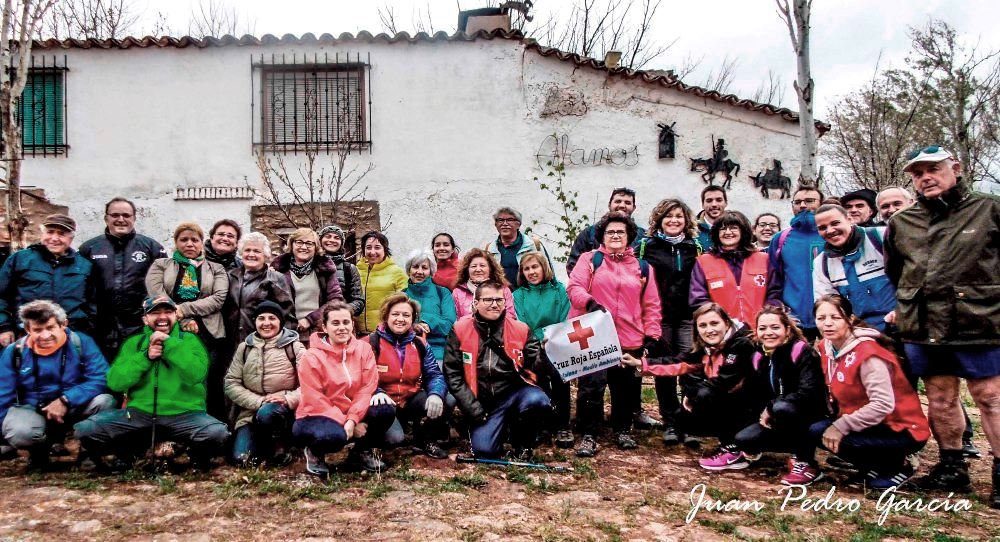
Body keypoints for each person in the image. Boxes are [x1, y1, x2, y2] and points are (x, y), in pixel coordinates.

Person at [884, 146, 1000, 507]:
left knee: (990, 397)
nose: (925, 178)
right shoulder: (902, 222)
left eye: (933, 169)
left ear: (956, 168)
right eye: (918, 174)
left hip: (980, 319)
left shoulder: (989, 208)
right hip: (924, 322)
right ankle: (952, 467)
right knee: (940, 397)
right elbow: (896, 272)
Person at [74, 296, 230, 470]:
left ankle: (191, 454)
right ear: (145, 319)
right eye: (155, 313)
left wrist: (168, 344)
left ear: (176, 315)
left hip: (185, 414)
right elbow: (115, 382)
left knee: (217, 433)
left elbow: (196, 374)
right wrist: (145, 357)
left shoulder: (190, 340)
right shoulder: (134, 343)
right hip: (139, 415)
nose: (162, 317)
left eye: (168, 312)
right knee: (85, 430)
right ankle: (134, 452)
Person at [809, 295, 930, 489]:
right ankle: (875, 466)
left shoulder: (868, 353)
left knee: (832, 433)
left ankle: (899, 466)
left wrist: (841, 426)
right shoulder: (826, 347)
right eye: (821, 318)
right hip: (870, 424)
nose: (828, 323)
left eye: (836, 317)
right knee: (816, 430)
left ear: (850, 319)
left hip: (901, 428)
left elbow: (882, 405)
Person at [567, 212, 661, 456]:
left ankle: (623, 429)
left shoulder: (642, 267)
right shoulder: (590, 259)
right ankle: (589, 434)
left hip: (630, 337)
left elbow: (651, 304)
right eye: (610, 232)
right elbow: (574, 287)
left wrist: (652, 335)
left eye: (621, 231)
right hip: (595, 336)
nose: (616, 235)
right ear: (602, 236)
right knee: (591, 388)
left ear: (629, 236)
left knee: (626, 388)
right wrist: (589, 302)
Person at [621, 303, 756, 470]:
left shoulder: (741, 345)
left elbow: (724, 383)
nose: (709, 330)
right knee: (682, 419)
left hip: (758, 411)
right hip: (738, 407)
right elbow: (677, 362)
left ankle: (736, 450)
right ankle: (742, 444)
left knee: (707, 395)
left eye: (714, 323)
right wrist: (639, 363)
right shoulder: (707, 348)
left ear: (727, 323)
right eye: (703, 325)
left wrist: (692, 394)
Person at [0, 300, 114, 471]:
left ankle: (89, 451)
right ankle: (39, 452)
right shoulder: (15, 351)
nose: (45, 335)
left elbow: (101, 378)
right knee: (20, 431)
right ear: (27, 329)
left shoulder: (80, 342)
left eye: (50, 327)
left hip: (74, 406)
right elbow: (2, 393)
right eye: (38, 330)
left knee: (104, 401)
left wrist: (66, 400)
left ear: (63, 324)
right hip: (34, 409)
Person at [444, 281, 551, 459]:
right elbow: (453, 374)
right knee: (484, 451)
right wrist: (474, 409)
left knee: (537, 400)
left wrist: (544, 356)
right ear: (475, 303)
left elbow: (535, 368)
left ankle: (523, 442)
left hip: (514, 394)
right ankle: (493, 429)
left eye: (499, 300)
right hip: (481, 401)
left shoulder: (521, 329)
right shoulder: (460, 329)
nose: (494, 304)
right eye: (488, 300)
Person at [292, 301, 391, 476]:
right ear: (325, 327)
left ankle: (361, 451)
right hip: (316, 414)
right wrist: (347, 422)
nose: (342, 328)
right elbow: (316, 399)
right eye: (335, 323)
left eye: (346, 322)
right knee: (335, 437)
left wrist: (353, 419)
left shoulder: (364, 349)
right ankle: (314, 452)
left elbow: (366, 389)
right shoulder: (311, 357)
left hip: (352, 411)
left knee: (385, 409)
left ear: (352, 324)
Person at [733, 306, 827, 485]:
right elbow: (752, 394)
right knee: (744, 440)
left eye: (775, 327)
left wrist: (770, 408)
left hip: (808, 415)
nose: (768, 332)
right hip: (777, 416)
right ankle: (792, 448)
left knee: (783, 408)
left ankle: (806, 461)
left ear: (787, 330)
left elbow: (809, 392)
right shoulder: (759, 356)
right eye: (762, 328)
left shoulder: (801, 351)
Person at [145, 222, 230, 421]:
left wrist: (183, 310)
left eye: (194, 240)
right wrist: (183, 321)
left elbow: (218, 299)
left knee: (208, 380)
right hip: (172, 330)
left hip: (208, 333)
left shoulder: (216, 269)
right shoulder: (161, 265)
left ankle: (208, 424)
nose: (189, 244)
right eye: (184, 240)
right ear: (176, 242)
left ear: (202, 243)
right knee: (176, 378)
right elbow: (158, 297)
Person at [643, 199, 702, 446]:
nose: (674, 220)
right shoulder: (647, 247)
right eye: (668, 216)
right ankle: (670, 422)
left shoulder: (694, 247)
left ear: (686, 221)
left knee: (690, 369)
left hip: (688, 317)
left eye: (679, 216)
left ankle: (689, 421)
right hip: (661, 317)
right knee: (664, 371)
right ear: (659, 220)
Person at [79, 197, 166, 357]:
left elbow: (163, 289)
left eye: (126, 215)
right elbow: (81, 289)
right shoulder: (89, 249)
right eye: (115, 215)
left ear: (134, 218)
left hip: (139, 328)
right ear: (106, 218)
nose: (121, 219)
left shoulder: (152, 248)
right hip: (100, 330)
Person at [367, 294, 450, 460]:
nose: (400, 319)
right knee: (394, 439)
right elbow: (361, 378)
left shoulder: (420, 344)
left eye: (406, 315)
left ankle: (426, 439)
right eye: (395, 314)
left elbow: (434, 373)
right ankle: (368, 444)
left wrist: (436, 393)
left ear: (413, 319)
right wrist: (377, 391)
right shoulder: (370, 342)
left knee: (446, 399)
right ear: (386, 316)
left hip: (409, 398)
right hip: (383, 404)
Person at [224, 301, 304, 467]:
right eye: (261, 318)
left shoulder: (294, 347)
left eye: (272, 318)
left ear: (280, 322)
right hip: (250, 413)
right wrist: (259, 401)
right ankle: (261, 445)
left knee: (268, 413)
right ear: (255, 322)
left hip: (282, 411)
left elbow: (311, 384)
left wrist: (287, 398)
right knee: (242, 459)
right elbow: (231, 383)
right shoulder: (245, 348)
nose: (266, 323)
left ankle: (281, 444)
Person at [0, 214, 95, 346]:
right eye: (50, 232)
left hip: (69, 337)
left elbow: (92, 304)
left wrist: (85, 331)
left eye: (61, 234)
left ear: (71, 238)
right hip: (27, 336)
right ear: (42, 233)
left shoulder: (84, 266)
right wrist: (4, 327)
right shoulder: (20, 259)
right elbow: (1, 296)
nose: (54, 238)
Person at [511, 251, 573, 448]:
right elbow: (521, 322)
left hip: (557, 342)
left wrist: (553, 338)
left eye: (535, 267)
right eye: (526, 269)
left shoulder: (559, 289)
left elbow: (565, 315)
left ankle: (563, 425)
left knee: (561, 384)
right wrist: (537, 342)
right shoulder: (518, 295)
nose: (531, 272)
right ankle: (544, 426)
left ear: (544, 267)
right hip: (532, 345)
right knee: (539, 384)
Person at [689, 211, 781, 325]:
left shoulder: (764, 259)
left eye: (733, 228)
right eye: (723, 229)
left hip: (760, 329)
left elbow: (775, 294)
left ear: (743, 231)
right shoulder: (704, 262)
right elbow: (698, 299)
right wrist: (720, 321)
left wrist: (766, 318)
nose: (728, 232)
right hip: (722, 330)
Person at [812, 205, 894, 331]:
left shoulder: (881, 237)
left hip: (905, 325)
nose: (830, 230)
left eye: (835, 223)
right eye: (823, 228)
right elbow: (826, 305)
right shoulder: (821, 263)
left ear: (849, 219)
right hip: (864, 333)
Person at [768, 185, 826, 339]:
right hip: (794, 321)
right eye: (797, 202)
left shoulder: (830, 235)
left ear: (821, 204)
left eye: (809, 201)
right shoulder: (781, 239)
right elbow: (775, 280)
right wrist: (780, 310)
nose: (802, 205)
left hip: (829, 318)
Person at [223, 232, 294, 348]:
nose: (251, 254)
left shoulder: (276, 279)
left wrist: (282, 345)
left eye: (256, 251)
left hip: (261, 344)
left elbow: (287, 316)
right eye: (247, 250)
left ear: (265, 255)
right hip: (228, 344)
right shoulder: (229, 276)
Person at [272, 228, 344, 337]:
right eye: (299, 242)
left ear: (316, 247)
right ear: (291, 244)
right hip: (284, 332)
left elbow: (335, 300)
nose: (304, 247)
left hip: (318, 330)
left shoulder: (325, 269)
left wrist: (310, 319)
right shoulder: (278, 268)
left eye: (309, 243)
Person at [566, 188, 647, 273]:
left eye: (627, 203)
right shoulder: (589, 233)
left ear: (634, 208)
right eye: (618, 201)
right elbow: (573, 265)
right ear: (609, 205)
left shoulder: (644, 237)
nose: (622, 205)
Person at [402, 249, 456, 362]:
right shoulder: (402, 295)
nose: (419, 272)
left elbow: (449, 324)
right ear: (409, 270)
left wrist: (425, 321)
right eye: (415, 267)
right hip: (406, 353)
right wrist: (413, 326)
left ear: (431, 271)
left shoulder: (443, 293)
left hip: (438, 354)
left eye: (424, 268)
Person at [485, 207, 554, 290]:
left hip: (530, 295)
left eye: (510, 220)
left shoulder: (533, 244)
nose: (505, 223)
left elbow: (549, 273)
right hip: (501, 296)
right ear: (496, 224)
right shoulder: (490, 249)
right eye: (500, 220)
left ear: (518, 224)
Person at [356, 231, 408, 335]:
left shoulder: (397, 272)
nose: (372, 252)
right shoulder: (356, 270)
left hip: (386, 333)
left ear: (385, 249)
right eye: (368, 247)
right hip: (358, 334)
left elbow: (404, 304)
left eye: (377, 247)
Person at [452, 248, 518, 321]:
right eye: (474, 266)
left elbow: (510, 316)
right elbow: (455, 321)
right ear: (467, 270)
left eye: (482, 265)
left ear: (490, 269)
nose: (478, 269)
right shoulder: (457, 293)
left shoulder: (503, 290)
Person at [318, 225, 364, 317]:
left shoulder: (349, 269)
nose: (332, 240)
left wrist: (342, 311)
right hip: (310, 321)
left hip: (339, 321)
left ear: (341, 243)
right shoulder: (310, 266)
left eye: (336, 238)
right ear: (320, 241)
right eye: (328, 236)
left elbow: (358, 301)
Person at [696, 186, 728, 251]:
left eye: (719, 200)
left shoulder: (738, 228)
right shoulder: (692, 229)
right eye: (709, 201)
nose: (714, 204)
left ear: (726, 203)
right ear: (702, 204)